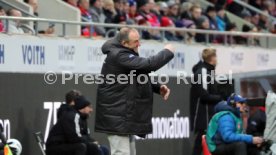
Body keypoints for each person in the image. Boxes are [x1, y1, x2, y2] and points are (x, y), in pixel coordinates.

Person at [95, 27, 175, 155]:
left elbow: (136, 76)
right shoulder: (119, 55)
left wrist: (156, 87)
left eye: (139, 40)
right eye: (135, 41)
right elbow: (149, 64)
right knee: (121, 153)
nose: (139, 44)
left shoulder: (123, 52)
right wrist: (168, 51)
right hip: (117, 116)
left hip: (124, 115)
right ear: (124, 44)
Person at [190, 48, 223, 155]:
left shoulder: (207, 71)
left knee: (203, 143)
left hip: (207, 114)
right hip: (203, 116)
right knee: (200, 142)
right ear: (212, 58)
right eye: (216, 56)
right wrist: (221, 98)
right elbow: (204, 95)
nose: (217, 59)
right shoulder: (203, 72)